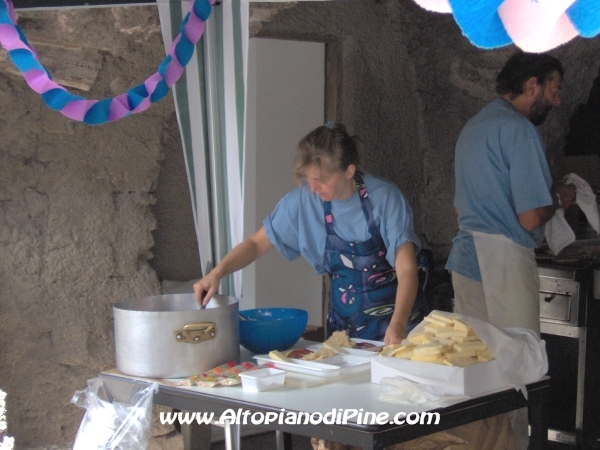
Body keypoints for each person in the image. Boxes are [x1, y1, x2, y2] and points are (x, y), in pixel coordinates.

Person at [446, 51, 577, 450]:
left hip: (467, 257)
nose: (556, 102)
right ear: (531, 84)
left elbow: (460, 205)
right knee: (517, 370)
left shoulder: (474, 126)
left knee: (478, 372)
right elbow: (529, 218)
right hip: (502, 260)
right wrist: (560, 197)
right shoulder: (518, 130)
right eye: (553, 91)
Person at [194, 123, 424, 344]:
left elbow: (407, 269)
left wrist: (398, 324)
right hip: (344, 332)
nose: (313, 188)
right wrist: (216, 273)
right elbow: (255, 244)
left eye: (322, 180)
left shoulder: (385, 199)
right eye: (308, 178)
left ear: (349, 171)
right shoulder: (303, 201)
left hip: (398, 328)